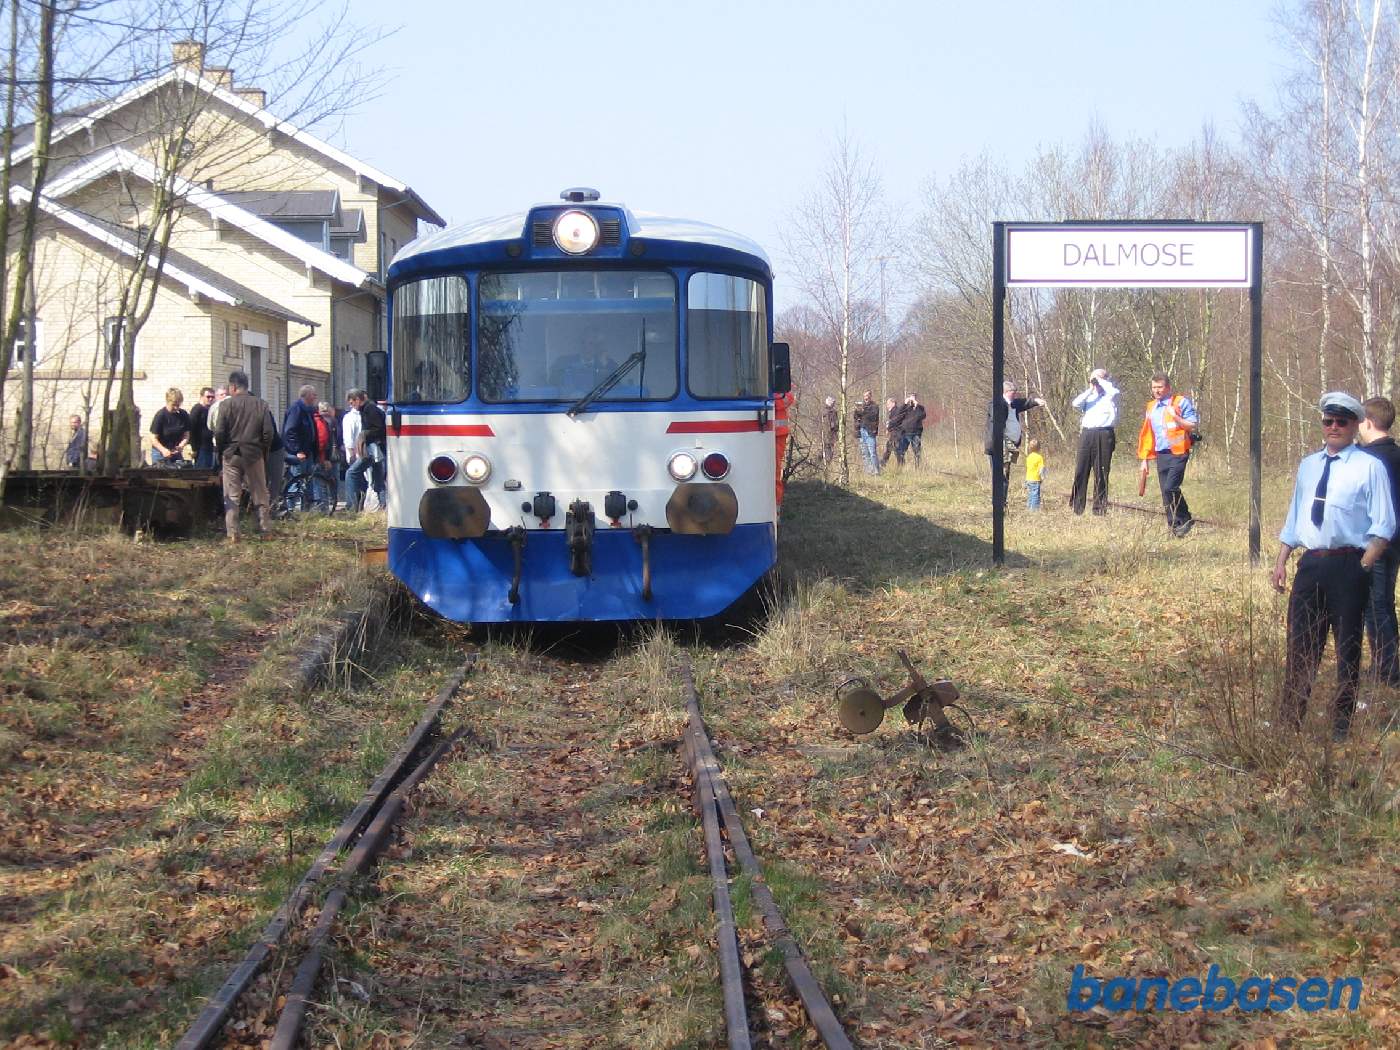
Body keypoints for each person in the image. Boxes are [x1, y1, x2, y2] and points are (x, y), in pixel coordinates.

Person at [1271, 393, 1395, 739]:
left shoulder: (1369, 467)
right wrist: (1281, 561)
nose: (1334, 428)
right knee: (1300, 645)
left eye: (1342, 422)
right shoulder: (1309, 465)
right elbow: (1295, 518)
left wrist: (1364, 566)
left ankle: (1341, 725)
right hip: (1311, 565)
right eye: (1329, 422)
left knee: (1346, 649)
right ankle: (1290, 720)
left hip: (1348, 565)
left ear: (1356, 425)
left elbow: (1383, 526)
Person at [1359, 396, 1400, 684]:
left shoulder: (1368, 460)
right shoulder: (1397, 455)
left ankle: (1388, 669)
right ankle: (1389, 661)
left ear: (1369, 422)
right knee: (1384, 602)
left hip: (1377, 541)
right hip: (1396, 541)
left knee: (1375, 605)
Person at [213, 370, 276, 541]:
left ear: (232, 387)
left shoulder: (226, 405)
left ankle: (233, 533)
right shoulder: (260, 404)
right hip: (254, 453)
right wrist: (263, 450)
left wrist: (221, 451)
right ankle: (264, 530)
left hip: (231, 454)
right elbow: (268, 433)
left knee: (232, 495)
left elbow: (219, 432)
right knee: (260, 493)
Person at [1137, 372, 1198, 537]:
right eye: (1154, 387)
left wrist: (1176, 417)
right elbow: (1147, 435)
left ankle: (1185, 519)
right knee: (1165, 493)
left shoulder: (1180, 402)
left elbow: (1191, 425)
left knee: (1171, 487)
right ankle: (1174, 528)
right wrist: (1144, 460)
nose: (1156, 390)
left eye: (1160, 387)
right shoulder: (1151, 407)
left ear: (1168, 387)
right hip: (1161, 454)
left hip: (1178, 452)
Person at [984, 379, 1046, 509]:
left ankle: (1002, 503)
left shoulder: (1014, 403)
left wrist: (1036, 401)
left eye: (1015, 393)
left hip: (1009, 446)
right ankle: (999, 506)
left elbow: (1025, 402)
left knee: (1005, 476)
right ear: (1005, 393)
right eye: (1012, 393)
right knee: (1000, 477)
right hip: (999, 446)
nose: (1015, 395)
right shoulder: (996, 404)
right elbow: (995, 417)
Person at [1069, 368, 1119, 515]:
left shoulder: (1111, 395)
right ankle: (1077, 506)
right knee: (1081, 470)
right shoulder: (1089, 397)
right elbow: (1075, 404)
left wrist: (1101, 381)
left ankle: (1099, 508)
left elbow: (1113, 391)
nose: (1095, 381)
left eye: (1098, 378)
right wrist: (1090, 389)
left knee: (1101, 472)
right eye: (1093, 378)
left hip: (1104, 434)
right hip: (1087, 433)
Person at [346, 388, 387, 512]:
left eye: (352, 403)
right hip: (376, 450)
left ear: (358, 400)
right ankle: (382, 506)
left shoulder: (370, 410)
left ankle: (352, 507)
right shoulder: (370, 408)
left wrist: (364, 434)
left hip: (372, 450)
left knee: (351, 473)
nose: (351, 406)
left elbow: (379, 429)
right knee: (377, 480)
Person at [282, 384, 322, 510]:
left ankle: (306, 511)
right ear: (306, 396)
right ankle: (290, 510)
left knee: (307, 482)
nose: (315, 397)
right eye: (313, 394)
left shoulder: (308, 410)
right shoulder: (297, 409)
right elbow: (290, 431)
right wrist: (297, 450)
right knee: (296, 481)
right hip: (299, 454)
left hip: (308, 452)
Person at [149, 387, 191, 465]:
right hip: (160, 453)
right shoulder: (161, 415)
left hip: (175, 451)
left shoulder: (183, 414)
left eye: (178, 405)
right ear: (167, 401)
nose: (176, 407)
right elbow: (153, 438)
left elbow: (186, 435)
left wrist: (181, 446)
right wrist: (163, 450)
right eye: (173, 405)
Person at [342, 394, 363, 510]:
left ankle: (352, 505)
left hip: (357, 453)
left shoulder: (352, 417)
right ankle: (357, 504)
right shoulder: (354, 417)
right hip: (358, 452)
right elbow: (349, 438)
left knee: (353, 476)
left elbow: (349, 438)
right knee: (358, 478)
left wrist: (351, 453)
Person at [189, 386, 217, 469]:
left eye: (212, 397)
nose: (210, 399)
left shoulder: (210, 409)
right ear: (201, 397)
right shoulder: (197, 409)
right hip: (201, 448)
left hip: (210, 447)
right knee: (201, 473)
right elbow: (191, 429)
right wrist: (194, 449)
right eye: (208, 397)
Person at [854, 391, 880, 475]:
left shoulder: (875, 406)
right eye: (865, 396)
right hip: (862, 431)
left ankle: (876, 471)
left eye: (867, 396)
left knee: (872, 452)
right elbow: (856, 417)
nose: (866, 398)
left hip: (870, 432)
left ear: (870, 396)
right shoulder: (861, 406)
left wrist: (863, 410)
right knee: (865, 453)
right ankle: (868, 471)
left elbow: (872, 416)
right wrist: (856, 411)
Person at [880, 396, 907, 468]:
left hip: (897, 433)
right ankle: (883, 463)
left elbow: (896, 421)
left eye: (888, 403)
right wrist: (888, 428)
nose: (887, 405)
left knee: (896, 449)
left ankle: (900, 465)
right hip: (894, 433)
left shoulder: (896, 410)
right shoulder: (893, 411)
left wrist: (889, 425)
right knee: (890, 447)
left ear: (893, 403)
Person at [900, 394, 926, 467]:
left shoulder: (920, 408)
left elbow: (922, 416)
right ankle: (901, 466)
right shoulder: (906, 408)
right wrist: (905, 403)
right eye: (911, 398)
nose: (912, 400)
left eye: (913, 398)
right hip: (905, 433)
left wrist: (917, 405)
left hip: (916, 433)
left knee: (917, 452)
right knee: (901, 451)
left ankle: (917, 468)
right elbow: (899, 414)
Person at [1025, 438, 1045, 510]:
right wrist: (1043, 477)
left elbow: (1027, 467)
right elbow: (1042, 469)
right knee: (1035, 495)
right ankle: (1034, 509)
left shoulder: (1028, 457)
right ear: (1039, 448)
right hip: (1035, 479)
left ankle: (1029, 506)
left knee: (1030, 494)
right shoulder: (1039, 457)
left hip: (1028, 479)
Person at [821, 395, 838, 466]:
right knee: (827, 449)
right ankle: (826, 464)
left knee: (830, 449)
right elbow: (828, 425)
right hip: (827, 434)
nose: (834, 404)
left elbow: (836, 423)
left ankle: (827, 464)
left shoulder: (833, 411)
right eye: (833, 402)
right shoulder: (826, 412)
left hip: (831, 434)